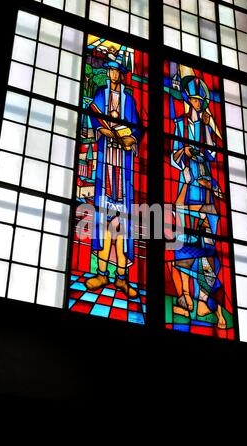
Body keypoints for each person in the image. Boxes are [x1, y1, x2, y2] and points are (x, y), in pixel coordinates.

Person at [171, 76, 226, 329]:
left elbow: (214, 153)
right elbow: (173, 156)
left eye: (200, 101)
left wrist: (209, 132)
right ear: (187, 100)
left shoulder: (204, 126)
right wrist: (185, 152)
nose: (196, 104)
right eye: (193, 99)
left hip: (204, 187)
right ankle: (184, 298)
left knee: (209, 247)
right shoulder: (179, 124)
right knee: (182, 244)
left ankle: (203, 299)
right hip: (187, 183)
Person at [85, 61, 142, 298]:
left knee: (122, 223)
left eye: (116, 70)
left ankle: (121, 277)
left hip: (123, 167)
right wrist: (109, 132)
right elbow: (96, 121)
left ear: (122, 73)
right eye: (110, 70)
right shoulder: (100, 95)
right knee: (104, 222)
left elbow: (137, 129)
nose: (113, 73)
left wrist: (131, 139)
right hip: (105, 162)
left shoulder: (130, 101)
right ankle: (101, 273)